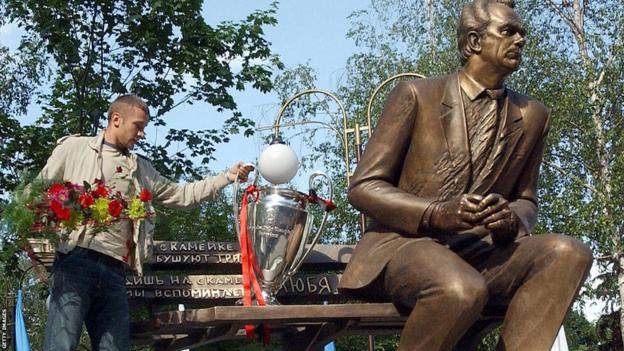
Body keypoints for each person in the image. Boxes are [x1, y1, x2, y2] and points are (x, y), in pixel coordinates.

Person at [338, 1, 593, 350]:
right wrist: (435, 213)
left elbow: (526, 199)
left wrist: (511, 220)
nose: (520, 40)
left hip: (482, 252)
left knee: (568, 252)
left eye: (522, 33)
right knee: (460, 288)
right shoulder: (417, 95)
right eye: (508, 32)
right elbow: (363, 187)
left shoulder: (534, 116)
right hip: (406, 245)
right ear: (474, 41)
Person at [38, 94, 252, 350]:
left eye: (144, 128)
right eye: (138, 126)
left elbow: (182, 195)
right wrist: (38, 245)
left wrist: (226, 176)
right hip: (75, 262)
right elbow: (38, 193)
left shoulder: (141, 168)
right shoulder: (74, 149)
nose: (141, 134)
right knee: (61, 345)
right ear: (116, 119)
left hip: (115, 271)